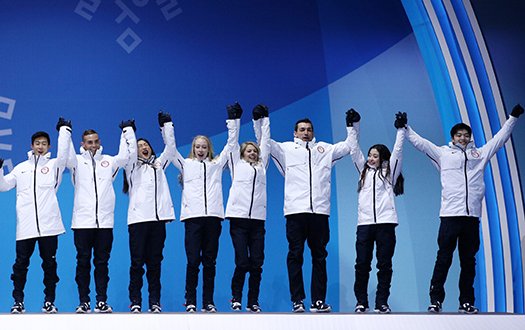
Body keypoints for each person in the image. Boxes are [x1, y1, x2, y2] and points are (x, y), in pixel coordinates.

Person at [406, 104, 523, 314]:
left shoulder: (480, 154)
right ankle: (436, 300)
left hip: (471, 217)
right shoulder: (443, 153)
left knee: (468, 262)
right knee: (444, 259)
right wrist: (406, 128)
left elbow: (499, 139)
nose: (462, 137)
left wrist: (512, 118)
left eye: (466, 134)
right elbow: (421, 144)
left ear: (470, 137)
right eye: (459, 134)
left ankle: (466, 302)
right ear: (453, 137)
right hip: (450, 216)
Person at [269, 112, 353, 313]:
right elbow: (266, 143)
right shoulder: (286, 149)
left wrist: (352, 125)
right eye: (302, 130)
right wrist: (261, 121)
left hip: (320, 213)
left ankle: (318, 301)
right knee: (295, 255)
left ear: (313, 132)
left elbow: (349, 146)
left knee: (319, 257)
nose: (306, 133)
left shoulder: (324, 149)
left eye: (309, 129)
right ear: (295, 133)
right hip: (295, 212)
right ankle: (297, 300)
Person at [171, 104, 239, 313]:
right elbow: (171, 150)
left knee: (210, 261)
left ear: (209, 148)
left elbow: (231, 144)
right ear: (193, 148)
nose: (200, 149)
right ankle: (190, 300)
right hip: (193, 219)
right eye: (197, 146)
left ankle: (208, 302)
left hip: (213, 218)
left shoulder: (217, 165)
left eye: (204, 146)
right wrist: (167, 126)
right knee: (193, 261)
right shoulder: (185, 164)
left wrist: (233, 120)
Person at [0, 118, 71, 314]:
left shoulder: (55, 165)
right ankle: (18, 302)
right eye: (37, 143)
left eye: (44, 143)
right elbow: (3, 186)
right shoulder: (21, 168)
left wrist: (64, 131)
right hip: (26, 227)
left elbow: (64, 155)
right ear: (31, 146)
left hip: (50, 225)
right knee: (20, 266)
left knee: (50, 265)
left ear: (49, 146)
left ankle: (49, 301)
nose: (40, 146)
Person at [66, 120, 136, 313]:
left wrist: (126, 132)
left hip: (104, 223)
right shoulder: (76, 163)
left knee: (102, 263)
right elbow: (65, 154)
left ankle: (101, 301)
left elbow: (125, 156)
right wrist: (65, 131)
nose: (93, 145)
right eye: (89, 142)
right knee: (82, 262)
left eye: (96, 141)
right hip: (82, 222)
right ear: (83, 144)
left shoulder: (109, 161)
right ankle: (83, 301)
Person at [346, 109, 406, 314]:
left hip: (385, 224)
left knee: (384, 265)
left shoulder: (389, 173)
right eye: (370, 155)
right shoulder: (361, 171)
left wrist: (401, 130)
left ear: (382, 158)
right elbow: (353, 149)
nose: (370, 158)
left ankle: (382, 302)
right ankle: (361, 302)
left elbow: (398, 151)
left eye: (375, 155)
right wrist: (352, 126)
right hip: (364, 225)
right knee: (362, 264)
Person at [123, 112, 175, 313]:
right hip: (138, 221)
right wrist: (129, 131)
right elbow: (128, 151)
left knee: (155, 264)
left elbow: (170, 149)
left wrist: (166, 125)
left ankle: (154, 301)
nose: (143, 147)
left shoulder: (159, 164)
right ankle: (135, 301)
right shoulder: (131, 167)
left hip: (158, 221)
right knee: (137, 264)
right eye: (139, 145)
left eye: (146, 145)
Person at [225, 104, 270, 313]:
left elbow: (266, 143)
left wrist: (263, 120)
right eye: (249, 151)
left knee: (257, 264)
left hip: (258, 220)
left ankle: (253, 301)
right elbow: (232, 143)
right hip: (239, 220)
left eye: (254, 151)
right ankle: (236, 297)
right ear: (242, 154)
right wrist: (234, 120)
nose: (252, 153)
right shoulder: (236, 163)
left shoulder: (262, 166)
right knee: (242, 261)